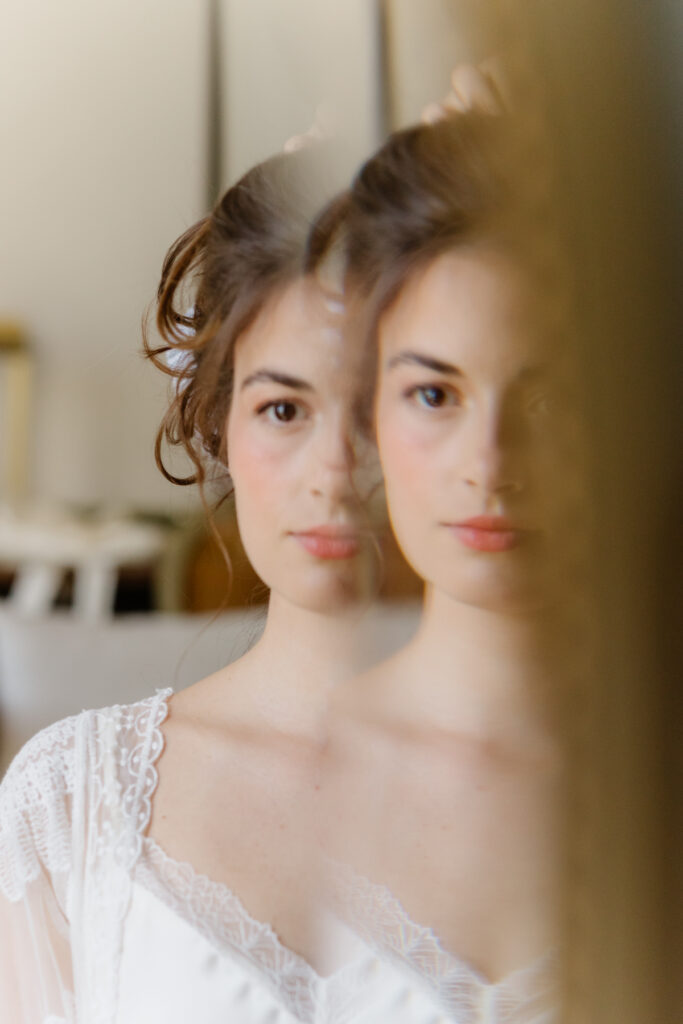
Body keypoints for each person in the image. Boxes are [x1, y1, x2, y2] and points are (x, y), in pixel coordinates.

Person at [0, 146, 418, 1024]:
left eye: (383, 400)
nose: (334, 470)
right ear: (218, 425)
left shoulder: (591, 788)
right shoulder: (69, 802)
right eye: (283, 409)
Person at [321, 111, 571, 1023]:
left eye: (550, 399)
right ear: (369, 414)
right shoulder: (238, 781)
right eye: (434, 393)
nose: (490, 462)